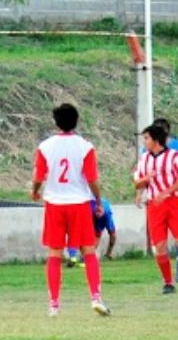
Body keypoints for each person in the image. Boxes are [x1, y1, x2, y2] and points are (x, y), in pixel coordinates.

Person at [31, 103, 111, 317]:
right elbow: (92, 178)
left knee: (55, 253)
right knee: (88, 250)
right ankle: (96, 297)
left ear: (56, 122)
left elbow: (39, 176)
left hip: (55, 204)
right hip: (79, 203)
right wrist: (99, 201)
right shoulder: (85, 146)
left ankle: (54, 305)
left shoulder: (46, 146)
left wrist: (35, 191)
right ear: (76, 121)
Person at [134, 119, 178, 295]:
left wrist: (166, 192)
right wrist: (144, 183)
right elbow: (137, 182)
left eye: (147, 138)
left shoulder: (174, 156)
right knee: (160, 245)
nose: (144, 142)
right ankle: (168, 282)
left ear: (156, 140)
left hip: (172, 203)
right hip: (154, 205)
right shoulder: (144, 159)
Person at [66, 197, 117, 266]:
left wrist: (109, 252)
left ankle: (85, 257)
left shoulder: (106, 216)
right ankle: (75, 257)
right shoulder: (88, 210)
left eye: (100, 212)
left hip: (94, 211)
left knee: (96, 235)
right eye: (97, 212)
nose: (98, 214)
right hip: (84, 211)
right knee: (79, 233)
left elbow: (112, 234)